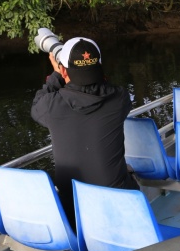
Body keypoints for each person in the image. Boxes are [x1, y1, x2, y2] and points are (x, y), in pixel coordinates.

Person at [31, 36, 137, 226]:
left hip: (73, 213)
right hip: (117, 205)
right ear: (100, 67)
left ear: (64, 70)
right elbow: (105, 87)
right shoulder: (120, 98)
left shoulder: (50, 105)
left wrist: (56, 76)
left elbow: (37, 105)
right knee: (128, 175)